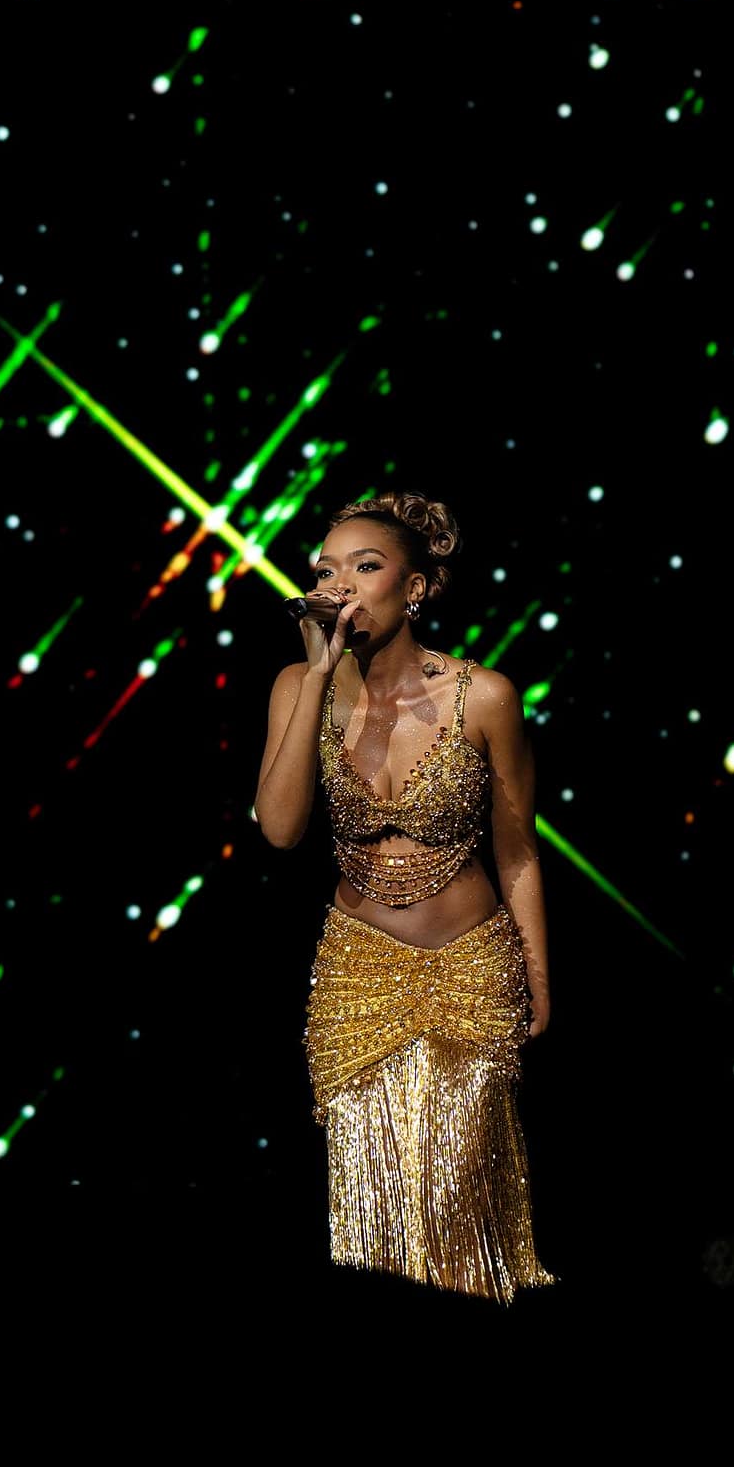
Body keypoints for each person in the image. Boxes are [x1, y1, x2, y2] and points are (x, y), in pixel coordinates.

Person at [254, 491, 555, 1305]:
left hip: (470, 970)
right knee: (374, 1211)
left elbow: (518, 848)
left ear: (414, 587)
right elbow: (279, 829)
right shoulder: (297, 686)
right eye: (325, 571)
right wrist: (318, 675)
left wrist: (537, 974)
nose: (340, 585)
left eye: (365, 566)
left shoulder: (482, 696)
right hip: (357, 975)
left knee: (457, 1205)